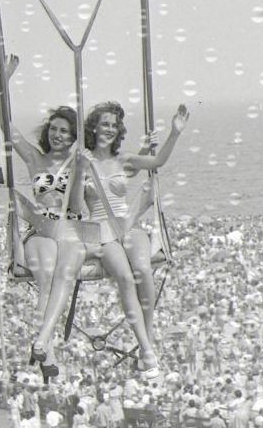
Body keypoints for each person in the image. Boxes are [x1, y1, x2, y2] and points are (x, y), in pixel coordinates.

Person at [80, 101, 190, 373]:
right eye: (104, 123)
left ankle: (146, 341)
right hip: (103, 232)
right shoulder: (82, 163)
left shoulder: (123, 160)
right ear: (93, 127)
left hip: (128, 225)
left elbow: (158, 161)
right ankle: (147, 348)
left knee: (143, 269)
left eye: (114, 125)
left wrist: (174, 133)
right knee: (126, 279)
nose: (109, 129)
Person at [12, 101, 86, 377]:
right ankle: (47, 353)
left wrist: (80, 173)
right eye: (54, 129)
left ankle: (42, 343)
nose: (58, 135)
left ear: (73, 136)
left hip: (68, 227)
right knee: (45, 277)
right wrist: (3, 84)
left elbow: (77, 209)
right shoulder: (35, 159)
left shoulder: (79, 161)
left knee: (59, 276)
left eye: (65, 131)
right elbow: (7, 128)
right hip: (42, 227)